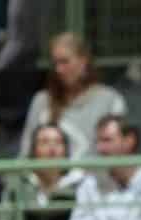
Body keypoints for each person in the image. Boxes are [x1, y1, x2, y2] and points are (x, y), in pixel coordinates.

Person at [19, 32, 126, 161]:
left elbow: (119, 155)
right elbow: (26, 153)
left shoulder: (110, 100)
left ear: (83, 62)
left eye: (64, 62)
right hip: (52, 174)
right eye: (55, 64)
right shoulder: (41, 101)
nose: (58, 69)